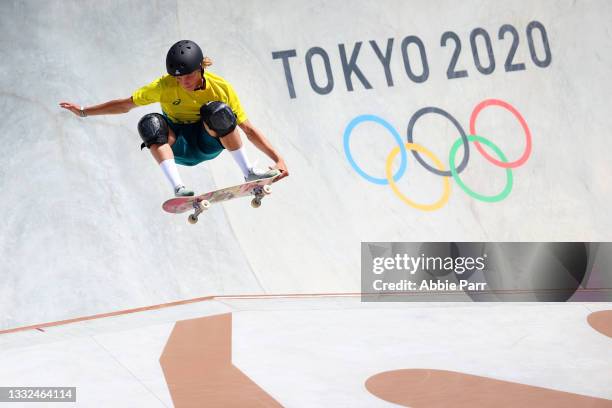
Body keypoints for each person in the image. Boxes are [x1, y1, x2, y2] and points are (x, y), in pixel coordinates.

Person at [60, 40, 288, 197]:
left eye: (188, 76)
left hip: (207, 141)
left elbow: (246, 129)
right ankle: (178, 187)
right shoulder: (163, 86)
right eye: (178, 78)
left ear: (201, 68)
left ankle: (248, 172)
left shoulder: (221, 88)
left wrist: (278, 159)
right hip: (177, 145)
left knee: (217, 111)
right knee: (150, 123)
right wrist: (83, 111)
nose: (184, 82)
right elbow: (124, 105)